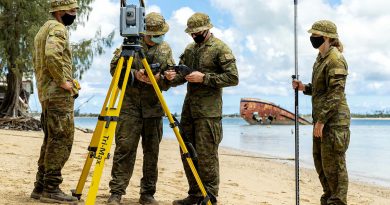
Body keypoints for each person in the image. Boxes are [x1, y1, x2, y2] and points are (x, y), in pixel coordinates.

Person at [107, 12, 176, 205]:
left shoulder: (165, 49)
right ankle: (117, 192)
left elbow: (170, 78)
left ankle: (147, 194)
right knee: (124, 149)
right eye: (154, 34)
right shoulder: (130, 46)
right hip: (129, 106)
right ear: (144, 33)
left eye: (160, 34)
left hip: (153, 108)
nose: (157, 38)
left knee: (152, 152)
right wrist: (135, 74)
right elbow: (114, 70)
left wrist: (165, 78)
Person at [171, 12, 239, 205]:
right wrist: (171, 77)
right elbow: (181, 76)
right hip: (189, 110)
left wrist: (205, 78)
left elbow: (233, 78)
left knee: (207, 156)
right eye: (191, 33)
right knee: (187, 152)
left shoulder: (220, 48)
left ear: (207, 29)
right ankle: (195, 194)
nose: (194, 36)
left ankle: (209, 197)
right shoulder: (190, 49)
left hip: (209, 113)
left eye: (197, 32)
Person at [292, 20, 350, 205]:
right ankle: (328, 199)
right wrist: (304, 88)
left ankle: (337, 201)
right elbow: (321, 89)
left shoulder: (335, 59)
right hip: (322, 120)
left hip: (333, 122)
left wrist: (322, 120)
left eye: (315, 36)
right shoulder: (320, 59)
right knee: (321, 164)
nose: (312, 39)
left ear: (326, 37)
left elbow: (336, 93)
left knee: (334, 166)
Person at [31, 0, 80, 203]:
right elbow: (52, 55)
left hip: (46, 94)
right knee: (61, 140)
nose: (75, 14)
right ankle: (51, 188)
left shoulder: (44, 29)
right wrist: (63, 82)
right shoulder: (58, 29)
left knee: (50, 140)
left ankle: (41, 186)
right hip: (57, 95)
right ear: (60, 12)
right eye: (72, 10)